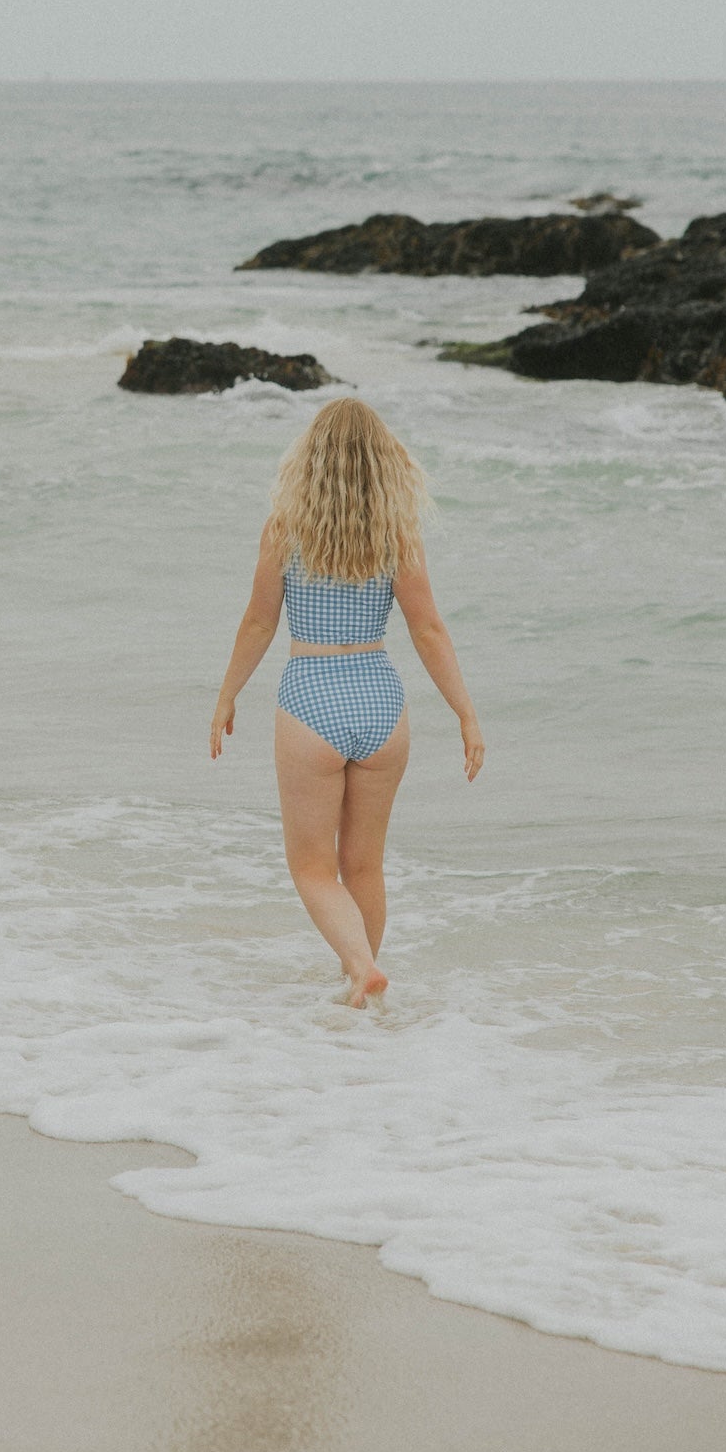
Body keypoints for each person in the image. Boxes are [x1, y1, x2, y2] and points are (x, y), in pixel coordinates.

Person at [210, 397, 483, 1006]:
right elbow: (429, 629)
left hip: (312, 696)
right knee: (364, 865)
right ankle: (363, 986)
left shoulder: (285, 528)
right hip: (381, 701)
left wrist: (227, 696)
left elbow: (258, 623)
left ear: (310, 459)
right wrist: (465, 713)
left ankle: (359, 967)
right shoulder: (397, 533)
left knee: (312, 869)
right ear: (383, 462)